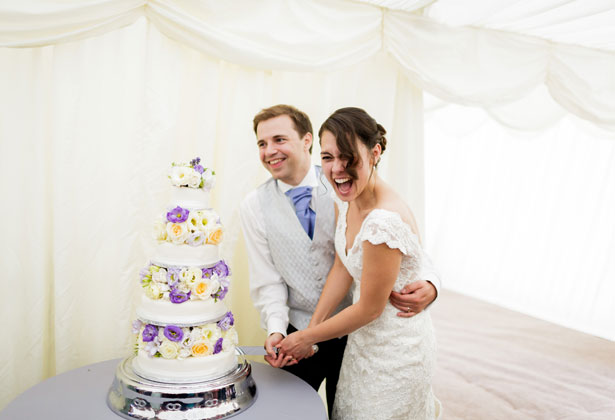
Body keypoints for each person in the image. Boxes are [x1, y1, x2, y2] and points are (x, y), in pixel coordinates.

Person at [239, 104, 440, 416]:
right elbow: (330, 266)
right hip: (308, 324)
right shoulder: (259, 204)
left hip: (368, 331)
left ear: (306, 141)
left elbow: (408, 248)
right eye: (262, 144)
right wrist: (286, 332)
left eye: (279, 139)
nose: (269, 151)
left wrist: (432, 284)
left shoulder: (351, 193)